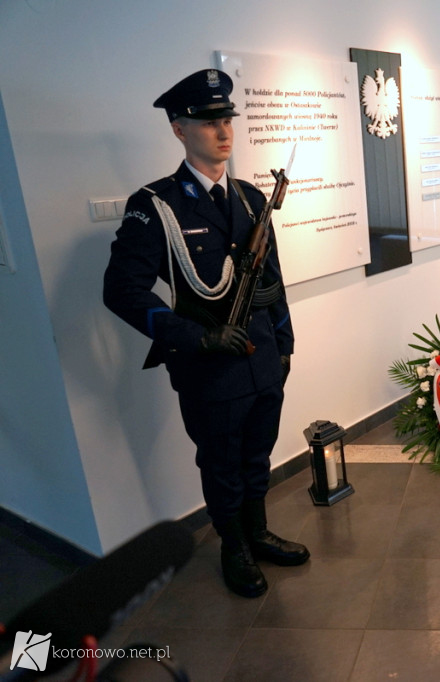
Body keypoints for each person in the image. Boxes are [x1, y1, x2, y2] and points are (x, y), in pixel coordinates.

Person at [103, 69, 307, 599]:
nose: (223, 131)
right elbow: (122, 291)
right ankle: (233, 545)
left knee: (257, 455)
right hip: (208, 366)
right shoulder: (157, 206)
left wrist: (284, 346)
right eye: (208, 121)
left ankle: (258, 531)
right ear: (178, 129)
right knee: (221, 465)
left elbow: (271, 281)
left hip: (261, 358)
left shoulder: (250, 197)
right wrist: (194, 338)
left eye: (227, 119)